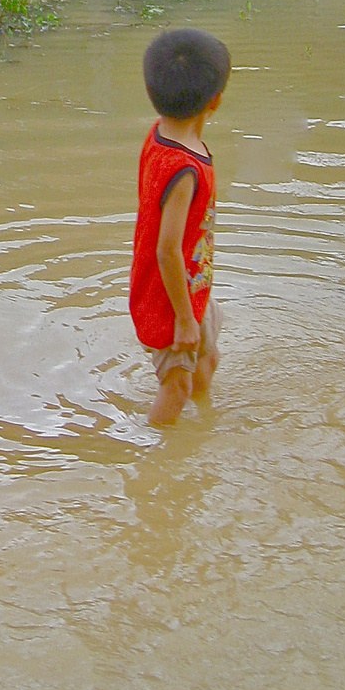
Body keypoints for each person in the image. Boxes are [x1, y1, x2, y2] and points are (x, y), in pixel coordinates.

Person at [129, 28, 230, 425]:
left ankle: (206, 422)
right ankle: (154, 463)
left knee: (208, 361)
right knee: (177, 388)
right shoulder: (184, 170)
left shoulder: (161, 135)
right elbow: (167, 249)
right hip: (172, 295)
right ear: (215, 101)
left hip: (191, 283)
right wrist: (184, 319)